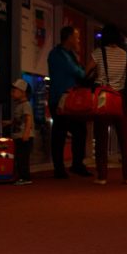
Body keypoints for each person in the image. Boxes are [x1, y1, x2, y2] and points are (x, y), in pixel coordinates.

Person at [85, 24, 127, 185]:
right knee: (125, 139)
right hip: (120, 99)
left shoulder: (98, 53)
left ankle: (102, 176)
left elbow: (86, 71)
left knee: (101, 138)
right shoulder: (125, 55)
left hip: (103, 98)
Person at [47, 26, 93, 179]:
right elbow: (78, 72)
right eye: (77, 37)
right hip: (61, 100)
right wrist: (89, 68)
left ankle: (74, 164)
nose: (78, 40)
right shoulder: (59, 55)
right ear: (69, 38)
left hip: (68, 100)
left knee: (77, 130)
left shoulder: (66, 54)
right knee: (61, 133)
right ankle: (61, 167)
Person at [9, 79, 34, 185]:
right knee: (19, 157)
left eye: (14, 91)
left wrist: (26, 133)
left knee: (23, 158)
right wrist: (8, 123)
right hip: (19, 136)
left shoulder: (26, 105)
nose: (12, 94)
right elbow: (18, 120)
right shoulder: (19, 105)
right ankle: (21, 176)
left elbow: (29, 119)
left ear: (23, 92)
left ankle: (25, 177)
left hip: (24, 136)